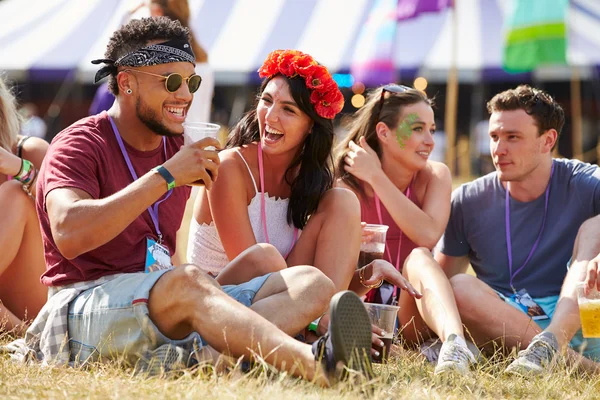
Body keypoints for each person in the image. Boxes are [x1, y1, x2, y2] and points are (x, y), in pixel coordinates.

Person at [4, 18, 374, 384]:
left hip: (158, 304)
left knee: (313, 284)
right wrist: (166, 176)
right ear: (126, 82)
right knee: (189, 281)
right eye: (171, 82)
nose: (185, 95)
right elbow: (68, 232)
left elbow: (160, 253)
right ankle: (316, 364)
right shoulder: (80, 142)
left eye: (191, 81)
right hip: (83, 306)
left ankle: (214, 359)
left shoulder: (176, 149)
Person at [435, 85, 600, 375]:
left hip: (585, 318)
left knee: (595, 228)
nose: (499, 149)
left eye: (513, 137)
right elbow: (441, 287)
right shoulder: (468, 200)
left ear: (547, 140)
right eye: (494, 137)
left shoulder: (585, 182)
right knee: (458, 288)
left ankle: (551, 346)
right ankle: (575, 365)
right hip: (510, 324)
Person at [335, 84, 477, 374]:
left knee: (420, 257)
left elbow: (427, 235)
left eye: (431, 129)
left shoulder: (435, 175)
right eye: (417, 129)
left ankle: (454, 344)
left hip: (413, 308)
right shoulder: (344, 185)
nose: (429, 141)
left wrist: (376, 176)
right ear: (384, 133)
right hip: (359, 308)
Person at [0, 77, 48, 334]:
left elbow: (72, 216)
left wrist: (22, 171)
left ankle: (30, 340)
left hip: (35, 298)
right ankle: (26, 340)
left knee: (14, 193)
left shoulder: (27, 151)